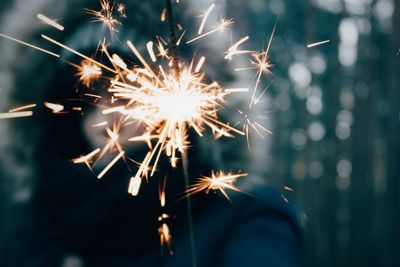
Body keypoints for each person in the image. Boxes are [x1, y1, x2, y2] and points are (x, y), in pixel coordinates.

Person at [0, 0, 300, 266]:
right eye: (88, 98)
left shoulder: (244, 218)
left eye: (129, 94)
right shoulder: (37, 238)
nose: (106, 120)